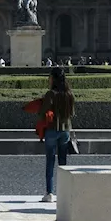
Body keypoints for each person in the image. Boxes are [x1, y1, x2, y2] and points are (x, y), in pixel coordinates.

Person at [39, 67, 75, 203]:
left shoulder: (51, 94)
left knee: (50, 162)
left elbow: (42, 112)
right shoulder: (69, 94)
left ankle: (49, 193)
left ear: (53, 78)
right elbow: (71, 113)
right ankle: (64, 192)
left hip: (52, 130)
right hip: (65, 130)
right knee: (63, 163)